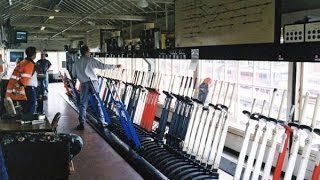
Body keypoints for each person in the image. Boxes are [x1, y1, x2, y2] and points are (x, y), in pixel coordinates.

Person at [72, 45, 121, 130]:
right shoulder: (90, 60)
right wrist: (115, 66)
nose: (90, 52)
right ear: (87, 52)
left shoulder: (76, 63)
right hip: (93, 83)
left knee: (83, 104)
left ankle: (81, 123)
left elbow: (74, 75)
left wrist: (81, 75)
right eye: (89, 51)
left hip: (83, 84)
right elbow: (103, 66)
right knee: (97, 103)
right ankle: (101, 122)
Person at [6, 46, 38, 114]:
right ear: (34, 54)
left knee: (26, 106)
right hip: (28, 88)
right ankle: (28, 120)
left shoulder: (23, 62)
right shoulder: (30, 64)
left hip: (22, 88)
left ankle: (25, 119)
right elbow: (25, 78)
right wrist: (22, 84)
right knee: (31, 105)